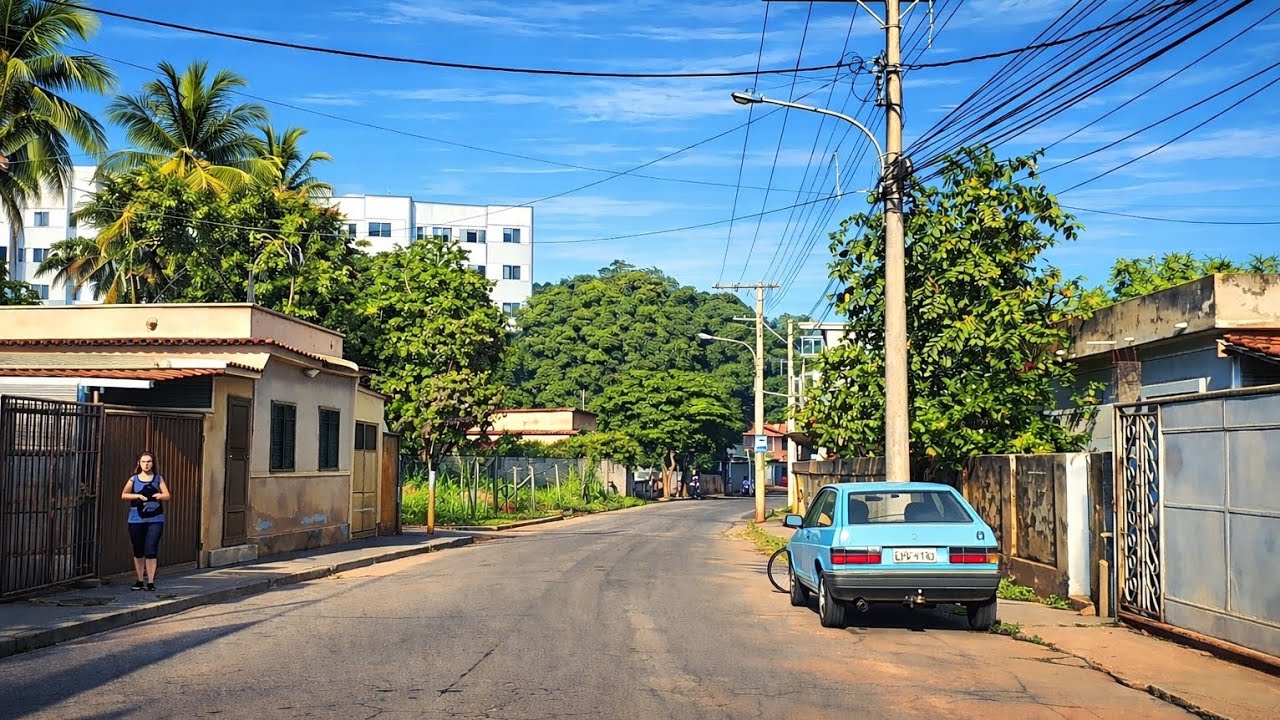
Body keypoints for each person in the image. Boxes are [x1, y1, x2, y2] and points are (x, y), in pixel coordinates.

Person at [120, 451, 170, 591]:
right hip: (136, 519)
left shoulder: (158, 479)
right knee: (138, 549)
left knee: (151, 549)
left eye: (149, 461)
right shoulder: (133, 479)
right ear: (139, 464)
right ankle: (140, 579)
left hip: (156, 519)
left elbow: (167, 495)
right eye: (143, 461)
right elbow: (124, 495)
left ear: (153, 463)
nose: (146, 464)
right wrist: (138, 496)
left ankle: (151, 581)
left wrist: (160, 495)